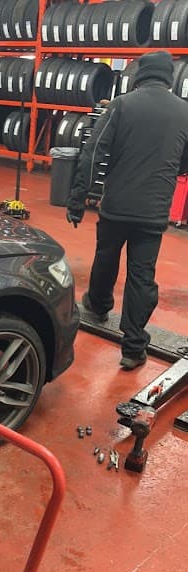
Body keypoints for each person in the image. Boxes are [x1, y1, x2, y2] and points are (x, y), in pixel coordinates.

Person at [66, 51, 188, 370]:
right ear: (169, 77)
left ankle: (98, 305)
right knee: (141, 274)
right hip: (153, 211)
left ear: (140, 74)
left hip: (117, 205)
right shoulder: (184, 111)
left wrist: (78, 200)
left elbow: (93, 153)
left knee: (106, 255)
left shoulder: (122, 104)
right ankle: (133, 347)